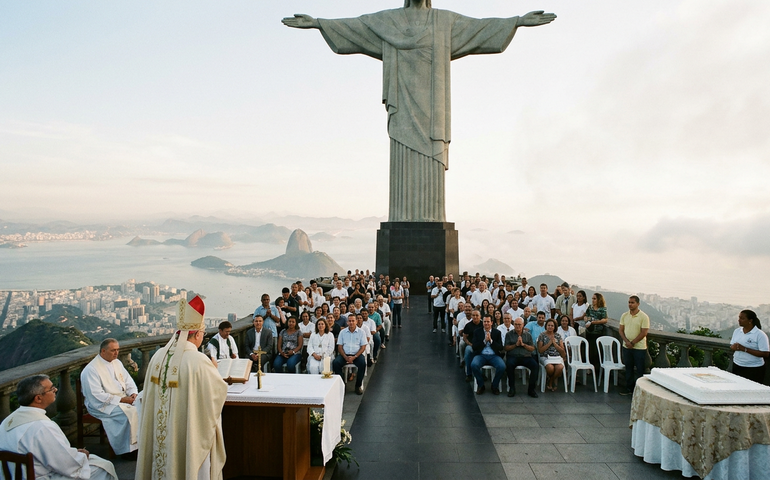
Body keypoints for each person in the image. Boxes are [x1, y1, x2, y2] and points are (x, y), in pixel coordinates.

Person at [136, 295, 228, 480]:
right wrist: (215, 371)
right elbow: (217, 394)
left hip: (159, 437)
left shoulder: (158, 356)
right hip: (185, 437)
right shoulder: (199, 361)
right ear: (198, 334)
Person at [0, 375, 117, 480]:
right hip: (42, 477)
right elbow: (67, 464)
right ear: (38, 398)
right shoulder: (43, 426)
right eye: (51, 389)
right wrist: (81, 455)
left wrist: (73, 453)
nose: (55, 390)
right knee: (104, 467)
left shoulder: (7, 421)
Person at [80, 339, 140, 456]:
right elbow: (96, 394)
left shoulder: (117, 363)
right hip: (100, 405)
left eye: (117, 350)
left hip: (122, 399)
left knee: (141, 407)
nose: (116, 353)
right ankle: (126, 450)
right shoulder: (91, 369)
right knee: (129, 413)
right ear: (103, 351)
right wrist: (122, 400)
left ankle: (138, 445)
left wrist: (133, 393)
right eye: (113, 350)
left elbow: (128, 381)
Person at [618, 295, 650, 395]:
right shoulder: (624, 315)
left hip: (639, 348)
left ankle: (639, 391)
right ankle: (629, 389)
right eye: (629, 302)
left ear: (638, 304)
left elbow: (644, 332)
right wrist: (627, 342)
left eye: (632, 302)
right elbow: (621, 330)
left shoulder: (643, 317)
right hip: (626, 347)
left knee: (640, 369)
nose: (630, 304)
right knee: (629, 368)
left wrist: (632, 342)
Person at [730, 309, 770, 383]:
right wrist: (734, 347)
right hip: (737, 365)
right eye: (739, 318)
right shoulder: (737, 331)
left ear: (750, 320)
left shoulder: (760, 334)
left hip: (753, 368)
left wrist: (744, 349)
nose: (739, 320)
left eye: (742, 318)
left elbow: (765, 353)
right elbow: (732, 345)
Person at [470, 315, 506, 395]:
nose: (486, 323)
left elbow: (500, 347)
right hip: (481, 355)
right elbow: (474, 346)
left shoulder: (497, 332)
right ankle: (481, 385)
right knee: (474, 365)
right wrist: (484, 341)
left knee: (502, 366)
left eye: (488, 322)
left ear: (491, 322)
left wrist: (491, 341)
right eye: (485, 322)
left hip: (494, 355)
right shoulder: (477, 332)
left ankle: (494, 385)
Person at [504, 317, 539, 398]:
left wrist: (523, 345)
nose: (517, 326)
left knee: (535, 366)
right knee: (509, 365)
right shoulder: (509, 334)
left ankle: (531, 389)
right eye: (515, 324)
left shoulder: (528, 335)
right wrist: (515, 345)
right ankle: (512, 388)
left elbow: (532, 348)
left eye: (519, 324)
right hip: (513, 356)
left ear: (523, 325)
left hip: (526, 356)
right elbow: (506, 348)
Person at [333, 315, 368, 395]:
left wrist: (354, 357)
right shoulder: (342, 332)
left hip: (357, 355)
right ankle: (342, 384)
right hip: (344, 355)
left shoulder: (361, 332)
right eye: (350, 321)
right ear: (347, 322)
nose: (351, 322)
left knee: (362, 364)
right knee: (336, 363)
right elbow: (340, 346)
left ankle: (358, 386)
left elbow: (363, 347)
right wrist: (345, 356)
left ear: (356, 321)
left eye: (353, 321)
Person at [538, 318, 566, 392]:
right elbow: (540, 350)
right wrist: (549, 343)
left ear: (555, 327)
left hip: (556, 357)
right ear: (546, 326)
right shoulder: (542, 335)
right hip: (545, 356)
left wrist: (555, 344)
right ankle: (554, 380)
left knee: (559, 368)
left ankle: (550, 380)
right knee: (550, 368)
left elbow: (562, 351)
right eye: (548, 325)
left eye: (552, 326)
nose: (550, 327)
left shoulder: (558, 336)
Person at [585, 292, 608, 368]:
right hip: (589, 331)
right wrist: (587, 320)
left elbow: (605, 319)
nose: (593, 300)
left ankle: (597, 367)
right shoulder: (590, 307)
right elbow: (586, 315)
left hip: (597, 332)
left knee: (596, 351)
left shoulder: (602, 309)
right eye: (592, 298)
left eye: (594, 298)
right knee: (589, 350)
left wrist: (595, 322)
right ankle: (590, 366)